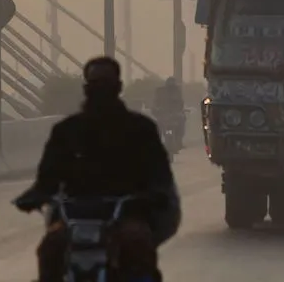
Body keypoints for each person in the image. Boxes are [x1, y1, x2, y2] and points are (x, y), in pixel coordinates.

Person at [13, 57, 181, 282]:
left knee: (137, 243)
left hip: (125, 214)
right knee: (50, 247)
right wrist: (35, 195)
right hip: (76, 218)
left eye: (106, 84)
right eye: (95, 84)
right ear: (86, 89)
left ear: (118, 87)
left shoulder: (141, 129)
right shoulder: (67, 131)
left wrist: (154, 195)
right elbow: (48, 177)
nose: (100, 91)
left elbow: (159, 174)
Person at [152, 77, 186, 147]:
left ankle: (179, 140)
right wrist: (157, 109)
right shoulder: (160, 91)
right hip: (163, 115)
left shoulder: (177, 91)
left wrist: (180, 110)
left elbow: (181, 103)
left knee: (182, 120)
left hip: (174, 115)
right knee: (158, 126)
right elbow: (155, 103)